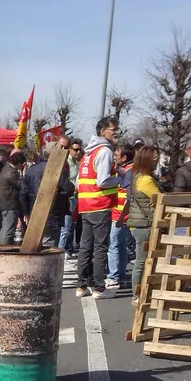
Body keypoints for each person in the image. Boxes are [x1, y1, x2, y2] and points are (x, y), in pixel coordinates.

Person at [76, 116, 120, 298]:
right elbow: (103, 181)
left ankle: (81, 286)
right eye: (113, 130)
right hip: (100, 204)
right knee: (100, 247)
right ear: (103, 132)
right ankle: (99, 288)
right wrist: (119, 179)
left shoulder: (88, 153)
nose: (116, 132)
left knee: (85, 246)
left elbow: (79, 182)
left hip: (85, 205)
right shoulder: (105, 151)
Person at [121, 144, 161, 302]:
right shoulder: (146, 179)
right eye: (155, 156)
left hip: (137, 224)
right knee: (142, 261)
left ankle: (139, 293)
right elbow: (160, 198)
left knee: (142, 261)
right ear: (147, 158)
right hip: (144, 225)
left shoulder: (136, 175)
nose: (157, 159)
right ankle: (137, 295)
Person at [20, 143, 73, 248]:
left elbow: (23, 193)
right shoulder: (57, 171)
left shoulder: (31, 170)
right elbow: (68, 189)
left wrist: (26, 213)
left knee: (35, 246)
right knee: (49, 247)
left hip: (34, 215)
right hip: (52, 215)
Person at [106, 143, 136, 290]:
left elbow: (127, 195)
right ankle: (122, 276)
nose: (114, 158)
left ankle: (113, 277)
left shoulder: (129, 172)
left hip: (120, 214)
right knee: (121, 245)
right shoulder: (126, 170)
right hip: (121, 213)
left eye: (116, 156)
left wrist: (121, 216)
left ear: (124, 158)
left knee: (113, 245)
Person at [58, 136, 83, 256]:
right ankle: (62, 251)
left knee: (72, 224)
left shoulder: (76, 162)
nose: (77, 152)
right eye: (75, 149)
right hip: (67, 196)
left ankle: (68, 247)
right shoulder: (66, 161)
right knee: (66, 226)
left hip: (75, 196)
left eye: (79, 150)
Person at [0, 149, 26, 245]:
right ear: (18, 163)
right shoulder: (12, 173)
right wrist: (23, 172)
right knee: (8, 230)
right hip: (10, 204)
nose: (22, 166)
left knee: (7, 229)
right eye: (22, 164)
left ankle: (4, 249)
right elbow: (21, 186)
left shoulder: (6, 168)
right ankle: (4, 251)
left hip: (6, 203)